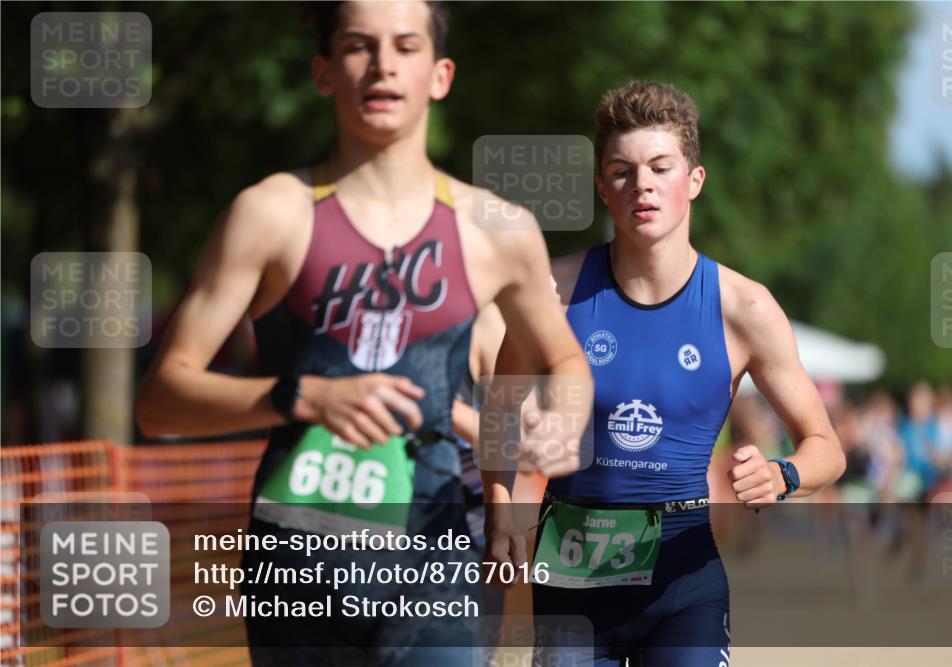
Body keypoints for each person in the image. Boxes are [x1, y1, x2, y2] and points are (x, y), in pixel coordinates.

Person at [135, 2, 590, 664]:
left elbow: (563, 359)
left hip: (433, 567)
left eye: (405, 46)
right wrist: (301, 396)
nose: (382, 66)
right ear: (323, 72)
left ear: (440, 75)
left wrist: (562, 422)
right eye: (358, 46)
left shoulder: (496, 228)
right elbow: (160, 402)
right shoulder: (269, 214)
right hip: (295, 575)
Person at [485, 81, 845, 666]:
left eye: (660, 167)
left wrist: (783, 474)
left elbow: (826, 446)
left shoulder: (745, 308)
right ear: (602, 187)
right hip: (571, 578)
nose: (642, 185)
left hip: (685, 583)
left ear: (695, 179)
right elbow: (500, 407)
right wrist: (499, 506)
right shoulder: (553, 293)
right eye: (622, 171)